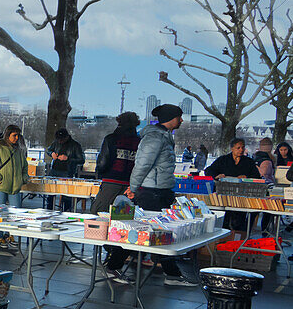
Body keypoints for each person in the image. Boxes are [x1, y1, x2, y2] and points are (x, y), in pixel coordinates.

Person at [105, 104, 194, 286]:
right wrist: (134, 187)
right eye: (179, 117)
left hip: (159, 190)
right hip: (152, 192)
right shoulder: (155, 138)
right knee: (142, 231)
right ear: (171, 118)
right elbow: (142, 165)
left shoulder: (162, 137)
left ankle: (171, 273)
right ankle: (114, 266)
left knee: (158, 232)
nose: (181, 120)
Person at [0, 125, 28, 247]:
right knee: (0, 213)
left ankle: (10, 235)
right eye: (14, 135)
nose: (17, 138)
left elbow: (25, 166)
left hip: (15, 187)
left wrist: (23, 178)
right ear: (7, 135)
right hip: (0, 186)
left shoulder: (18, 150)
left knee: (15, 213)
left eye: (18, 135)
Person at [206, 138, 261, 234]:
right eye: (238, 148)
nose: (241, 150)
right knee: (224, 221)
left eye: (242, 148)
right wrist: (217, 176)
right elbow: (209, 170)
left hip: (242, 195)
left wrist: (246, 178)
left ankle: (238, 239)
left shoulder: (249, 162)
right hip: (224, 195)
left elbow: (257, 177)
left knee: (239, 220)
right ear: (232, 149)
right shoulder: (223, 160)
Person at [91, 112, 141, 214]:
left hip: (111, 180)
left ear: (119, 122)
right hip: (129, 184)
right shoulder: (139, 142)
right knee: (123, 215)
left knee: (99, 213)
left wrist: (100, 173)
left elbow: (103, 162)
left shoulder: (111, 139)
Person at [44, 127, 84, 211]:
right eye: (58, 140)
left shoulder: (75, 145)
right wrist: (52, 154)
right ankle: (49, 209)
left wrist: (68, 158)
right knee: (50, 191)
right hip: (54, 170)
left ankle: (66, 210)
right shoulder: (56, 143)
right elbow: (48, 150)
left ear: (66, 137)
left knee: (66, 194)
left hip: (67, 171)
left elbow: (82, 160)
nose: (60, 142)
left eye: (61, 140)